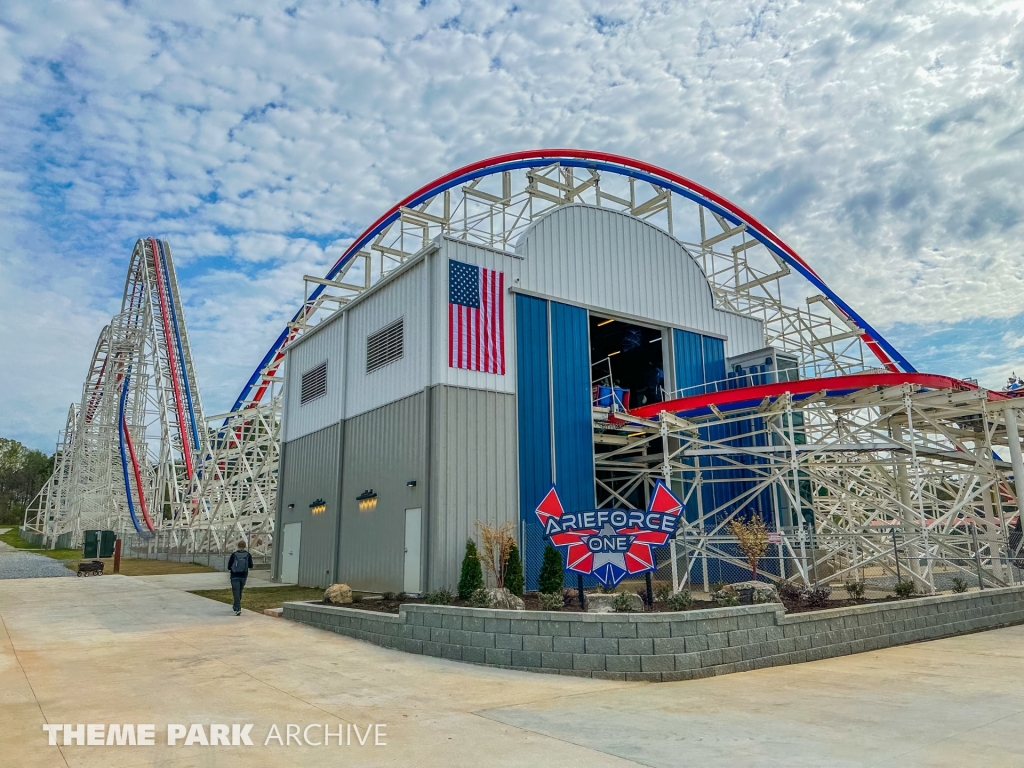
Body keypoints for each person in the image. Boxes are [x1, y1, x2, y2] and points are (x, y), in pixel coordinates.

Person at [227, 541, 253, 616]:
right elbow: (251, 565)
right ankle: (236, 606)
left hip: (234, 575)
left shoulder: (234, 555)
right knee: (240, 591)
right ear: (245, 546)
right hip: (243, 576)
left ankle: (237, 608)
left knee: (236, 592)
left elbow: (229, 566)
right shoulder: (248, 555)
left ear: (237, 546)